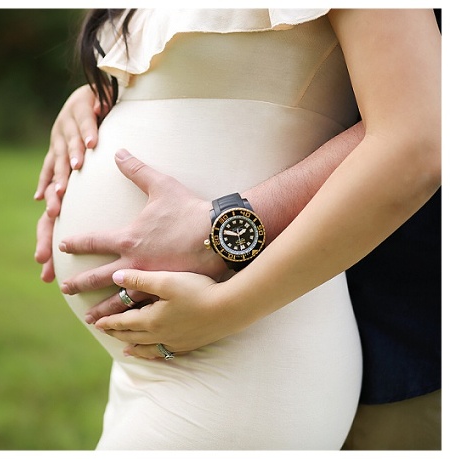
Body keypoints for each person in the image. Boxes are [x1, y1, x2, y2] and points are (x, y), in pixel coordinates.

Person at [35, 9, 440, 450]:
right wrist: (100, 101)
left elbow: (418, 131)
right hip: (152, 358)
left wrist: (224, 302)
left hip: (245, 342)